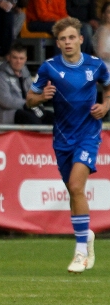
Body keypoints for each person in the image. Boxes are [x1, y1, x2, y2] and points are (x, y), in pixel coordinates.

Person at [27, 17, 110, 273]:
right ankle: (87, 237)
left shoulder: (96, 65)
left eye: (72, 37)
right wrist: (41, 97)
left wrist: (105, 106)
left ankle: (80, 252)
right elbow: (29, 99)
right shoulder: (49, 68)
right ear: (58, 42)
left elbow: (108, 88)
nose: (68, 42)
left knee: (76, 185)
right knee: (74, 192)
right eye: (63, 38)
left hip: (88, 134)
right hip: (62, 138)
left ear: (81, 39)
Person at [0, 43, 51, 125]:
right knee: (32, 120)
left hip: (29, 109)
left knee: (54, 118)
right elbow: (5, 101)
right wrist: (26, 104)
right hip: (10, 113)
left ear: (25, 59)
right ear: (9, 58)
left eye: (21, 58)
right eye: (15, 58)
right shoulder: (1, 77)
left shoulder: (26, 75)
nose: (18, 61)